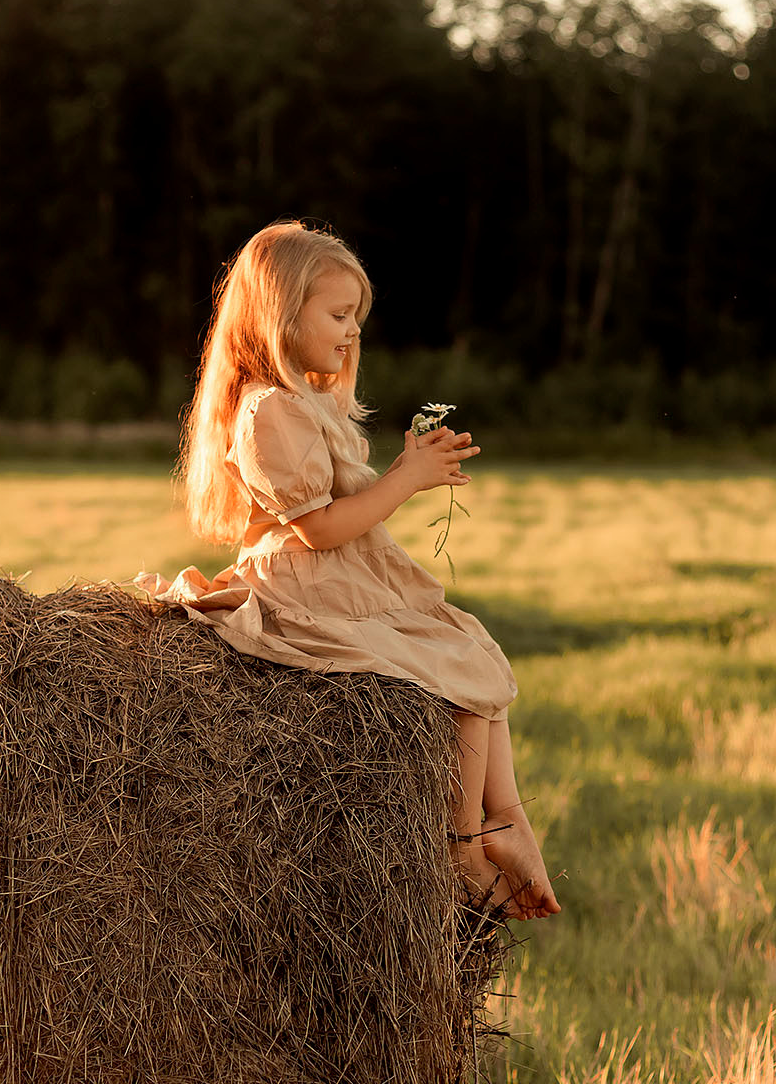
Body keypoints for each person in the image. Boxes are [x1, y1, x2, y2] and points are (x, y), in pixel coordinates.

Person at [137, 220, 561, 921]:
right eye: (337, 316)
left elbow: (340, 512)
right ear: (282, 316)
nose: (352, 331)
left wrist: (405, 468)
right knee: (452, 672)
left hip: (342, 576)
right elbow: (320, 527)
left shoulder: (302, 401)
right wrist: (406, 481)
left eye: (355, 317)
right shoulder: (267, 413)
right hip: (306, 584)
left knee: (470, 647)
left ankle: (505, 818)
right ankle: (462, 848)